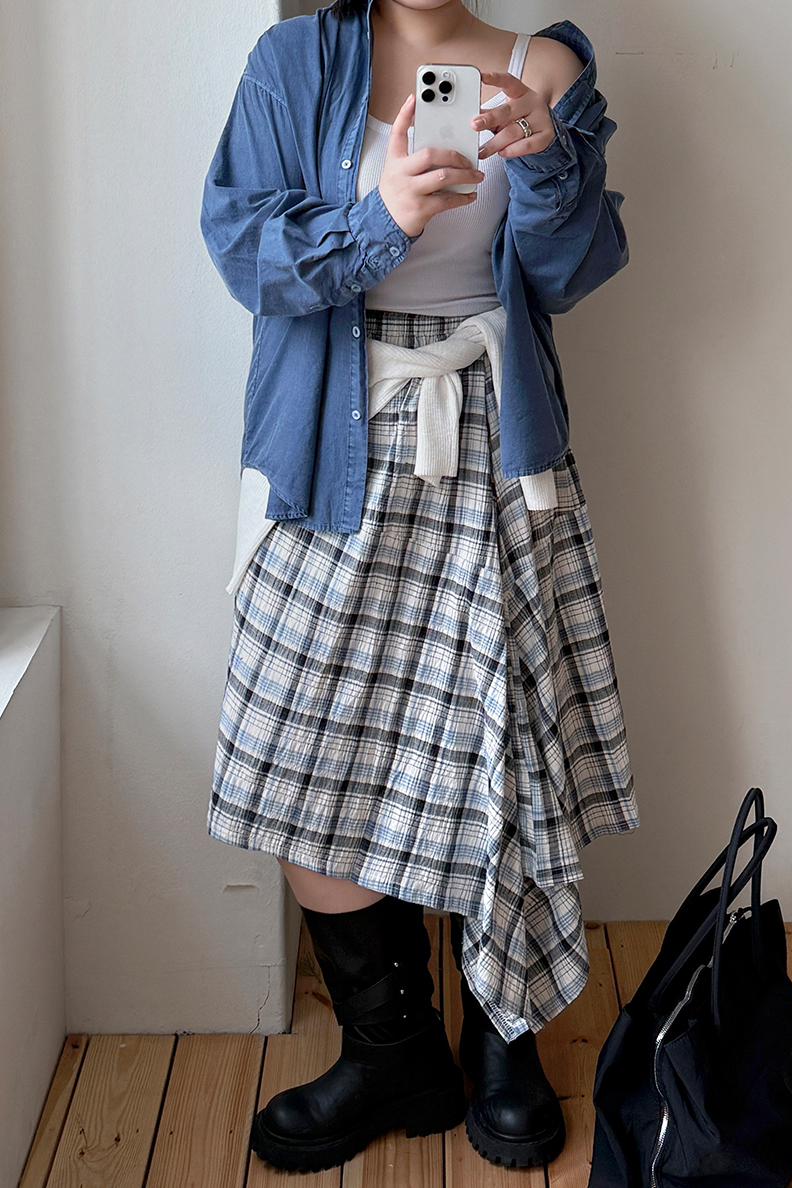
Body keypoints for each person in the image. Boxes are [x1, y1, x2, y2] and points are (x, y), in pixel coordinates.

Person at [200, 0, 639, 1173]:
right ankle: (392, 1049)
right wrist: (378, 219)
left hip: (493, 439)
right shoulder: (295, 61)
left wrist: (546, 160)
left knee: (503, 752)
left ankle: (504, 1036)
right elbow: (242, 248)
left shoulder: (544, 63)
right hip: (331, 448)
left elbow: (569, 272)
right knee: (297, 754)